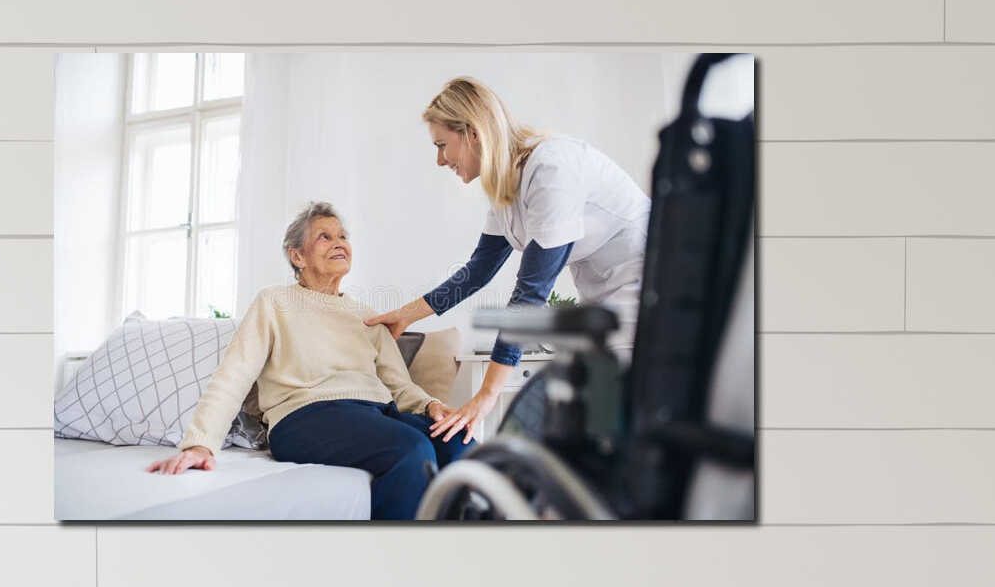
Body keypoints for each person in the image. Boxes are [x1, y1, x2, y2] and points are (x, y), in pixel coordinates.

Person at [364, 77, 650, 444]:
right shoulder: (506, 185)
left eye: (441, 145)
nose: (439, 160)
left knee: (609, 420)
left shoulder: (551, 171)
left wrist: (485, 397)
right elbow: (477, 272)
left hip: (644, 289)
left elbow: (530, 295)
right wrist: (405, 315)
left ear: (472, 133)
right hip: (604, 294)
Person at [149, 201, 471, 521]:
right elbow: (234, 374)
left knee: (461, 445)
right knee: (411, 449)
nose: (339, 243)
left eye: (342, 236)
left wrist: (430, 405)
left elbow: (400, 386)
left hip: (375, 413)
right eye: (324, 237)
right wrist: (201, 444)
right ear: (298, 257)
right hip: (304, 418)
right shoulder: (274, 302)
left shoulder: (368, 317)